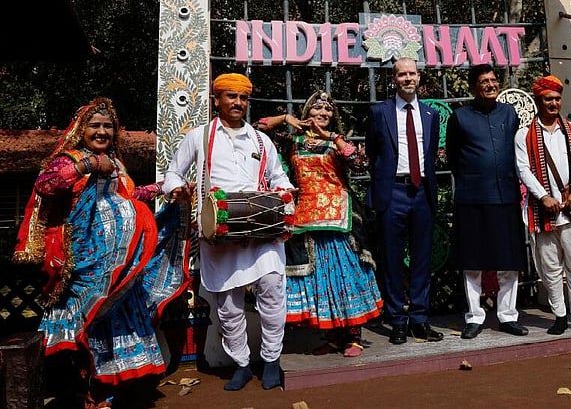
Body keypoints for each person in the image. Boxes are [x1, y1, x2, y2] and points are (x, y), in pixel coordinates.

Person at [14, 97, 188, 408]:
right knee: (87, 322)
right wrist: (88, 165)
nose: (102, 131)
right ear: (81, 129)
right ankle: (82, 394)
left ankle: (104, 393)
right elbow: (46, 184)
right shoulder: (71, 159)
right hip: (82, 264)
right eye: (95, 125)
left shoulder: (115, 162)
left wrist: (163, 189)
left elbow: (129, 195)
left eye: (108, 126)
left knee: (110, 322)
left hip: (118, 265)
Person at [162, 73, 294, 390]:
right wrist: (177, 189)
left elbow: (280, 179)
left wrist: (285, 198)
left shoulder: (262, 141)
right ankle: (242, 364)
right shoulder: (199, 137)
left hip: (262, 234)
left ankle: (272, 360)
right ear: (216, 99)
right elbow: (173, 173)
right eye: (231, 96)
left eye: (243, 98)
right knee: (228, 307)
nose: (238, 103)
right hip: (218, 235)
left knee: (273, 293)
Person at [257, 91, 383, 357]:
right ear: (307, 114)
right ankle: (333, 337)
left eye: (328, 110)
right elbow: (260, 126)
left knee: (345, 273)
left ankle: (353, 337)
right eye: (317, 109)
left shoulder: (338, 142)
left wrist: (333, 138)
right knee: (318, 277)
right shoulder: (292, 141)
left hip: (339, 215)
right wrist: (286, 118)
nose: (323, 114)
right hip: (307, 215)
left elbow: (360, 163)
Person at [446, 64, 529, 339]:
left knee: (509, 261)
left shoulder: (509, 113)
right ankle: (474, 317)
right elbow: (453, 157)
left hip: (505, 197)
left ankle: (508, 316)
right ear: (473, 87)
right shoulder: (459, 117)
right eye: (484, 81)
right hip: (472, 199)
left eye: (494, 80)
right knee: (472, 262)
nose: (491, 85)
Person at [365, 57, 443, 344]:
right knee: (392, 260)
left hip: (422, 192)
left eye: (412, 73)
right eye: (402, 74)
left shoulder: (431, 115)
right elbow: (373, 151)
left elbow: (430, 154)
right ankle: (397, 320)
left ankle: (420, 320)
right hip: (392, 192)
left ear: (419, 77)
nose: (407, 78)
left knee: (422, 259)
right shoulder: (379, 112)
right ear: (393, 79)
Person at [514, 76, 571, 336]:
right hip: (544, 211)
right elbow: (523, 169)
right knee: (549, 266)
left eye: (557, 98)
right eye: (548, 98)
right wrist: (543, 197)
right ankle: (560, 316)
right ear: (538, 100)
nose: (553, 103)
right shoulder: (524, 134)